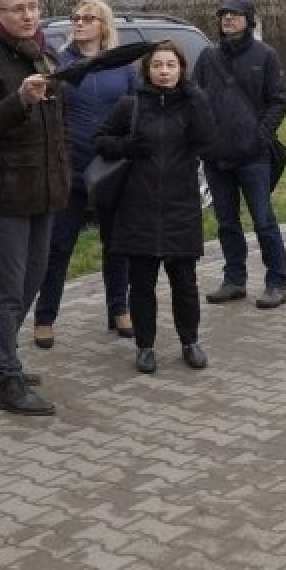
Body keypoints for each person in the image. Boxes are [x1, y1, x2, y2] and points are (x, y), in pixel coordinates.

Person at [0, 0, 71, 416]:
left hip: (45, 189)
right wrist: (19, 99)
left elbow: (58, 120)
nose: (28, 15)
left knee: (32, 279)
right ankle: (7, 379)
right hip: (6, 192)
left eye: (33, 6)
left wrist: (65, 167)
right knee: (7, 290)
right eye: (17, 9)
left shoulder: (46, 53)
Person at [93, 41, 217, 374]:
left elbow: (209, 141)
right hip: (139, 207)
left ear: (181, 69)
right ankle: (145, 346)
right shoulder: (130, 105)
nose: (164, 72)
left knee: (185, 283)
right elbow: (102, 142)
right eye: (158, 65)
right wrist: (127, 146)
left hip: (180, 207)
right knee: (142, 284)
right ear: (147, 69)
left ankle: (189, 341)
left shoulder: (193, 103)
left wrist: (196, 97)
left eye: (171, 65)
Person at [31, 0, 138, 348]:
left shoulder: (122, 67)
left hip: (110, 170)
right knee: (59, 245)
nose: (78, 23)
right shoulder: (60, 64)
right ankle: (45, 316)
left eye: (87, 18)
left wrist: (126, 150)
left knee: (116, 245)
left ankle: (119, 309)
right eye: (75, 18)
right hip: (69, 168)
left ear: (103, 25)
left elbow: (135, 116)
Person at [193, 0, 286, 310]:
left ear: (249, 19)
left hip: (254, 157)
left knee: (264, 221)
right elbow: (196, 99)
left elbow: (278, 102)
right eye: (224, 15)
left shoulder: (266, 56)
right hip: (216, 156)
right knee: (226, 223)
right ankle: (234, 280)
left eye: (235, 15)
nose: (228, 19)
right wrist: (204, 140)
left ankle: (277, 282)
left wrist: (260, 138)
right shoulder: (208, 58)